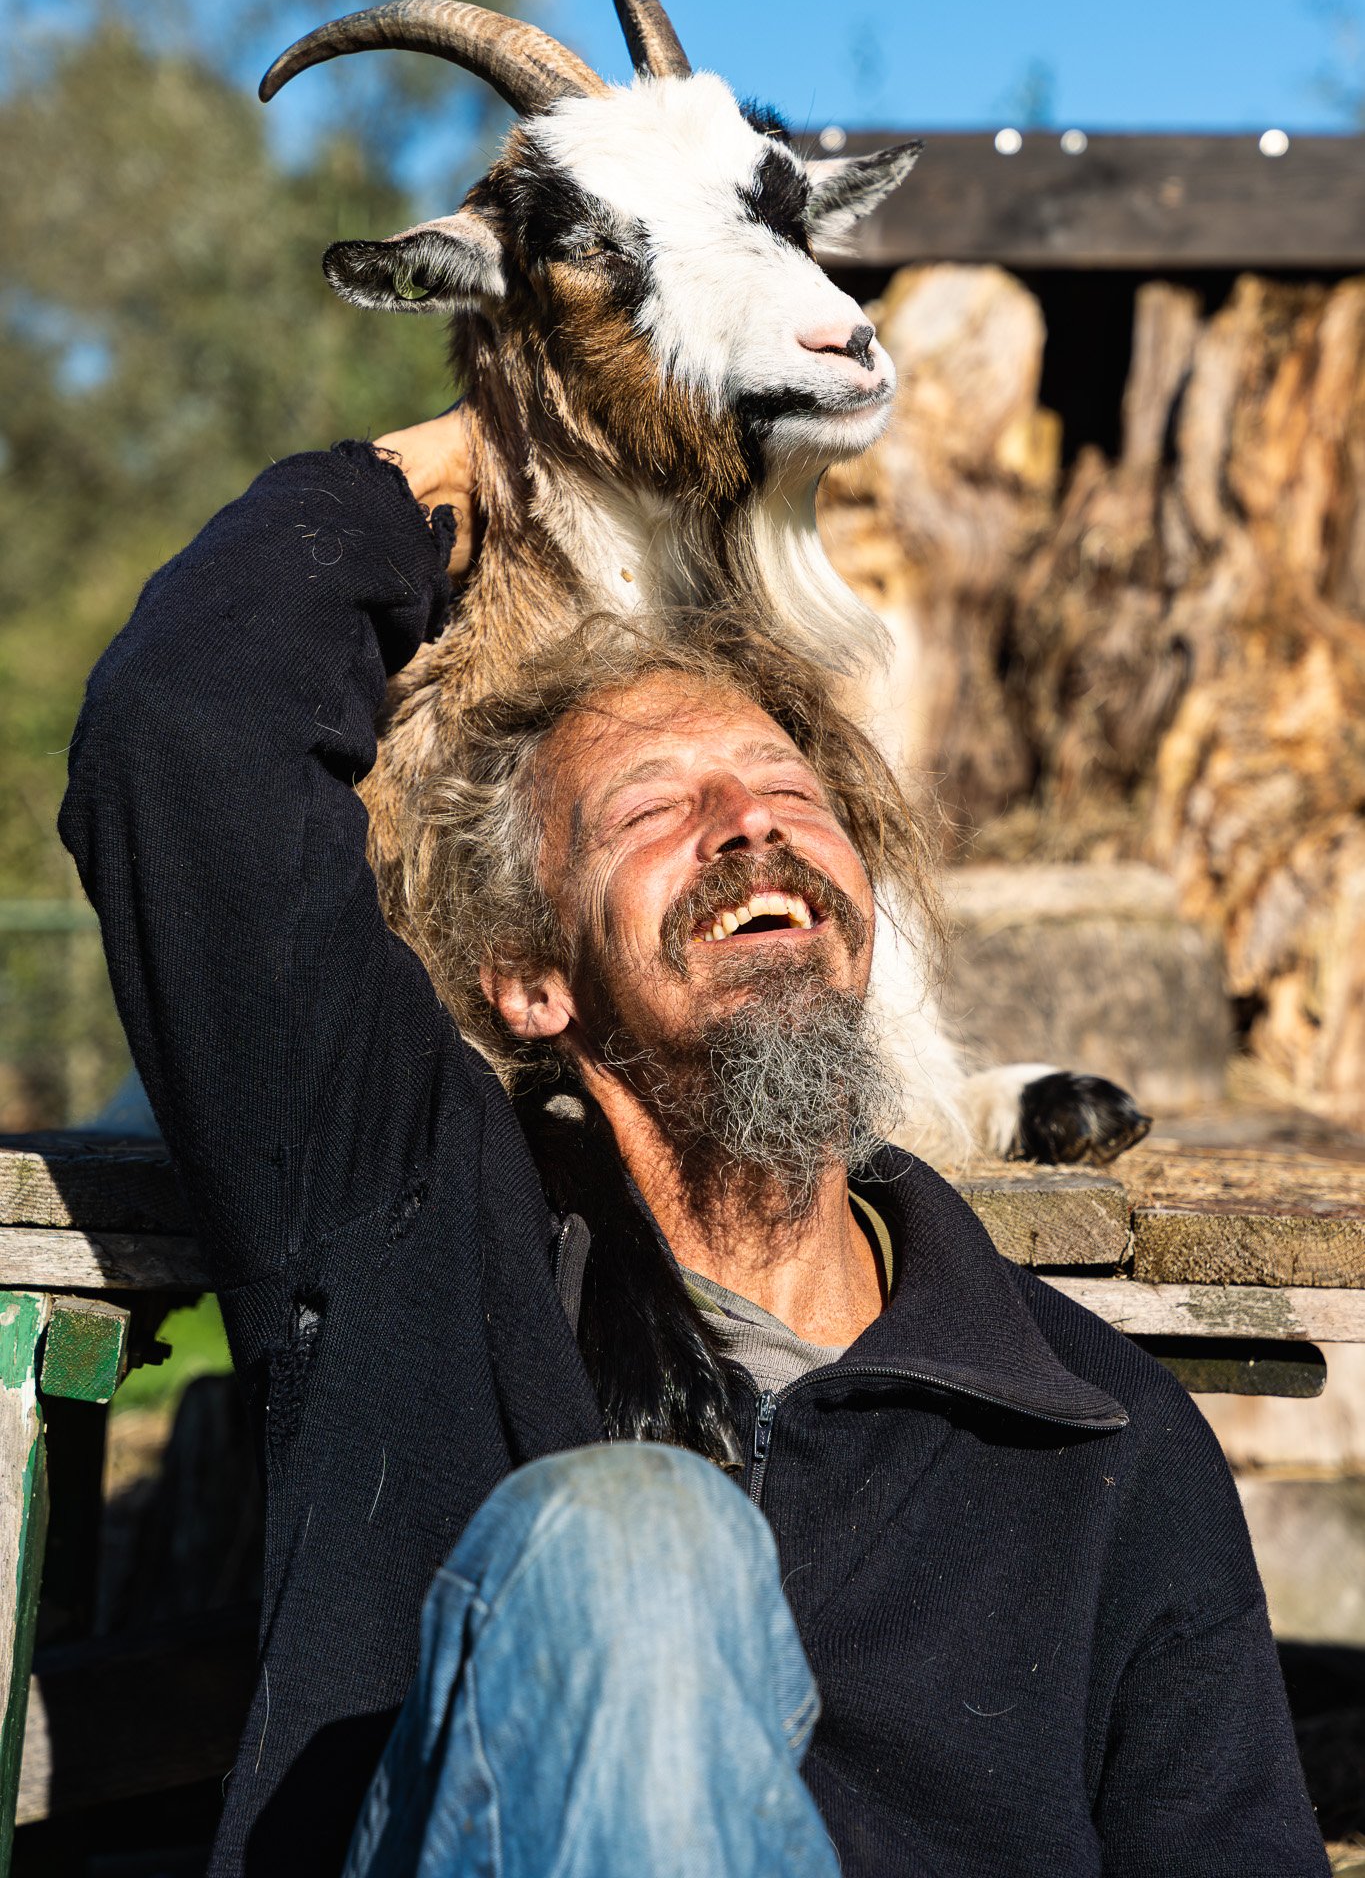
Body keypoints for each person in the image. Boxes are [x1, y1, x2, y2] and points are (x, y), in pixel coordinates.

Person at [60, 409, 1327, 1878]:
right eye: (657, 808)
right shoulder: (404, 1215)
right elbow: (186, 734)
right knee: (637, 1550)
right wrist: (489, 440)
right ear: (532, 980)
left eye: (792, 799)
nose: (749, 829)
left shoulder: (1095, 1430)